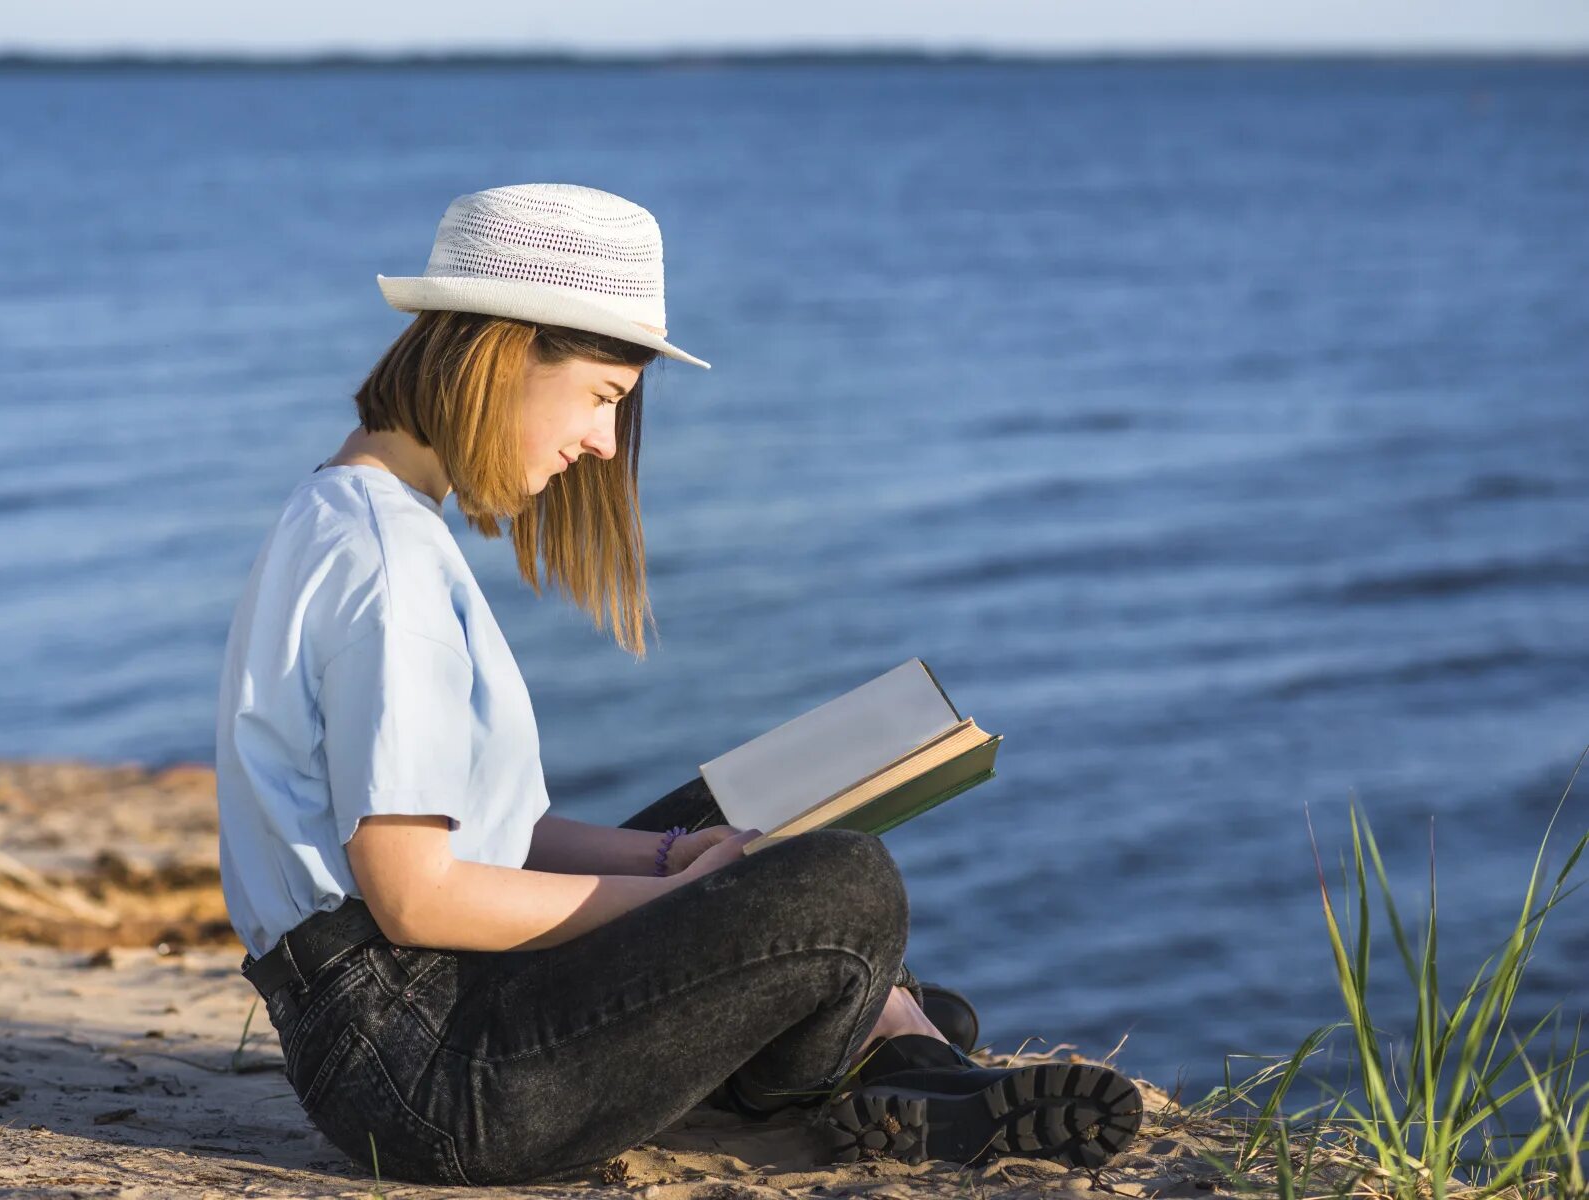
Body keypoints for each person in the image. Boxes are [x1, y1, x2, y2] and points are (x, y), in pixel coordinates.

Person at [214, 183, 1141, 1187]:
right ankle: (874, 1043)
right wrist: (703, 896)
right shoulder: (390, 565)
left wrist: (673, 861)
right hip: (425, 1076)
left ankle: (886, 1042)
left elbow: (494, 835)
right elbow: (414, 896)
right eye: (605, 398)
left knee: (748, 825)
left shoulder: (349, 512)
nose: (605, 445)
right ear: (505, 352)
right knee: (841, 884)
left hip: (407, 1030)